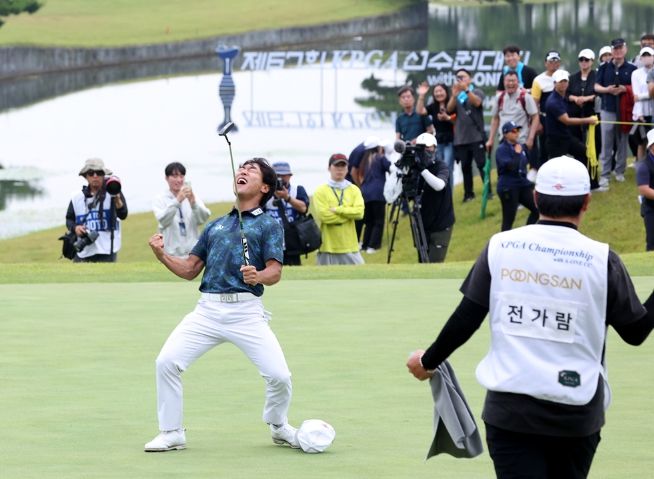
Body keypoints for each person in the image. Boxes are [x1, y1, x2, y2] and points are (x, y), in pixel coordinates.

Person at [407, 155, 654, 479]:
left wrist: (428, 361)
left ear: (536, 198)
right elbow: (635, 332)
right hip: (577, 412)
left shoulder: (500, 246)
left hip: (510, 411)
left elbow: (467, 318)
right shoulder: (603, 259)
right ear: (586, 202)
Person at [145, 157, 299, 452]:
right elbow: (190, 269)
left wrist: (258, 276)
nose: (242, 171)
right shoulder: (215, 226)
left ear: (265, 187)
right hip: (207, 312)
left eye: (251, 170)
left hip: (246, 313)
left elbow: (275, 272)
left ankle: (279, 426)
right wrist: (162, 255)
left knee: (279, 377)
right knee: (166, 362)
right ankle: (172, 432)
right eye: (241, 168)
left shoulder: (268, 225)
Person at [65, 158, 128, 263]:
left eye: (99, 173)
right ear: (86, 176)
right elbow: (69, 220)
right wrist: (76, 228)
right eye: (91, 173)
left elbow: (123, 215)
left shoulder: (113, 191)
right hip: (84, 250)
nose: (95, 176)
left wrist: (117, 200)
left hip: (107, 250)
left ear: (104, 175)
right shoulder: (77, 197)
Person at [594, 38, 637, 189]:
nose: (618, 51)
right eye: (615, 49)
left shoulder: (632, 68)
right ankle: (605, 174)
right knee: (606, 143)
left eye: (620, 48)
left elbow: (636, 88)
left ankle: (619, 171)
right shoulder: (604, 67)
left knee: (622, 141)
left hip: (625, 110)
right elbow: (596, 86)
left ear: (625, 49)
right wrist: (607, 90)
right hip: (608, 109)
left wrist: (625, 89)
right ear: (612, 51)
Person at [545, 69, 599, 188]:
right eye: (560, 82)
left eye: (565, 81)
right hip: (556, 141)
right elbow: (567, 120)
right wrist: (588, 120)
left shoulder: (563, 97)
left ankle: (592, 185)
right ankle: (553, 189)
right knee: (555, 168)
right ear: (554, 83)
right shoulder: (553, 102)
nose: (563, 84)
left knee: (586, 154)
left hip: (565, 137)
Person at [313, 153, 365, 265]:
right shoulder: (320, 191)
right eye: (336, 166)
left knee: (360, 274)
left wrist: (338, 210)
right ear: (329, 168)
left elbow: (359, 213)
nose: (340, 169)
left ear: (347, 169)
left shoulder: (354, 190)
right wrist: (348, 214)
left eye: (343, 166)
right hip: (327, 247)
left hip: (350, 246)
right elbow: (324, 216)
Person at [152, 162, 211, 258]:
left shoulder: (191, 195)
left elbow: (203, 218)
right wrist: (177, 201)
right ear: (166, 178)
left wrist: (194, 203)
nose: (179, 180)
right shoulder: (160, 199)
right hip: (171, 254)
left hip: (193, 253)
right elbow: (163, 221)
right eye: (175, 176)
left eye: (181, 176)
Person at [412, 132, 455, 263]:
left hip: (441, 224)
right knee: (422, 264)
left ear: (435, 148)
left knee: (434, 264)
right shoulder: (415, 168)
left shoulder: (441, 166)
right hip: (423, 224)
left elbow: (439, 185)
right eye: (421, 148)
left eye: (428, 148)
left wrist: (423, 170)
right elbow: (394, 194)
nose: (425, 151)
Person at [447, 68, 487, 202]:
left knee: (481, 165)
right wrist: (454, 95)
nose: (460, 80)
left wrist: (466, 90)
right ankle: (468, 194)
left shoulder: (476, 91)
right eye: (458, 77)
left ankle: (488, 191)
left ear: (470, 79)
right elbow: (449, 109)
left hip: (476, 137)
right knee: (465, 167)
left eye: (463, 77)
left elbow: (477, 103)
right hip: (461, 139)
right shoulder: (456, 95)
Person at [486, 71, 540, 170]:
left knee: (520, 170)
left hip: (521, 141)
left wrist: (531, 138)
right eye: (508, 81)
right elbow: (495, 118)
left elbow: (535, 116)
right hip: (503, 142)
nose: (510, 83)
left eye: (513, 81)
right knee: (504, 170)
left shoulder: (525, 97)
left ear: (518, 82)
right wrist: (490, 139)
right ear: (504, 82)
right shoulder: (499, 98)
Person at [495, 121, 538, 231]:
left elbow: (523, 167)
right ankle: (503, 240)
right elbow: (511, 167)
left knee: (537, 210)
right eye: (513, 131)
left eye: (518, 130)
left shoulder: (521, 147)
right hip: (508, 186)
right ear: (505, 134)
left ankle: (527, 234)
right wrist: (517, 153)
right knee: (509, 219)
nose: (517, 133)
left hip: (522, 184)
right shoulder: (502, 150)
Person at [263, 161, 309, 265]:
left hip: (292, 241)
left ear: (290, 176)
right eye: (277, 176)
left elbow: (303, 208)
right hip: (271, 242)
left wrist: (287, 198)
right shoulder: (264, 192)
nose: (280, 179)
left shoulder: (297, 190)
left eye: (284, 176)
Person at [351, 139, 391, 254]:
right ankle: (373, 246)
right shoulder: (380, 158)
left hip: (365, 193)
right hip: (378, 193)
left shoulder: (364, 161)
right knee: (378, 221)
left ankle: (365, 245)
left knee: (369, 221)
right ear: (377, 147)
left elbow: (354, 173)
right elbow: (391, 168)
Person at [416, 81, 456, 188]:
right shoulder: (433, 106)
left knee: (447, 166)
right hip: (438, 141)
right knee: (438, 166)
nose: (438, 93)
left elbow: (458, 121)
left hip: (450, 140)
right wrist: (421, 95)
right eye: (436, 91)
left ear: (446, 91)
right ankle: (440, 190)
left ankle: (449, 192)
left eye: (441, 91)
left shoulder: (451, 104)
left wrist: (447, 118)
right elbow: (420, 111)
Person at [531, 51, 562, 166]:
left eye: (556, 61)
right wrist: (538, 122)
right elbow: (534, 104)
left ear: (559, 63)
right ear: (545, 63)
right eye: (551, 61)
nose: (554, 64)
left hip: (562, 119)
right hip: (545, 119)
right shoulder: (538, 80)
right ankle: (542, 173)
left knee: (561, 148)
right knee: (544, 149)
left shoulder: (565, 76)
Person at [567, 49, 600, 151]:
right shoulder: (572, 77)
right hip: (575, 114)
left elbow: (599, 93)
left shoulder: (597, 76)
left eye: (586, 60)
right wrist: (575, 99)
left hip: (592, 113)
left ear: (592, 61)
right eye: (581, 59)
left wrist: (587, 98)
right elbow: (566, 94)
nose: (584, 62)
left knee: (594, 142)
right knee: (576, 142)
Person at [631, 47, 654, 162]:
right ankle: (641, 167)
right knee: (642, 142)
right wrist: (639, 114)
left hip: (652, 111)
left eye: (649, 55)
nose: (646, 58)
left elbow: (640, 96)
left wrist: (642, 96)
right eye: (644, 56)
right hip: (641, 113)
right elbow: (635, 96)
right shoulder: (636, 73)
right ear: (640, 58)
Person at [636, 129, 654, 250]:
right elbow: (644, 189)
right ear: (652, 146)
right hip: (651, 209)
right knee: (652, 243)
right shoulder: (644, 166)